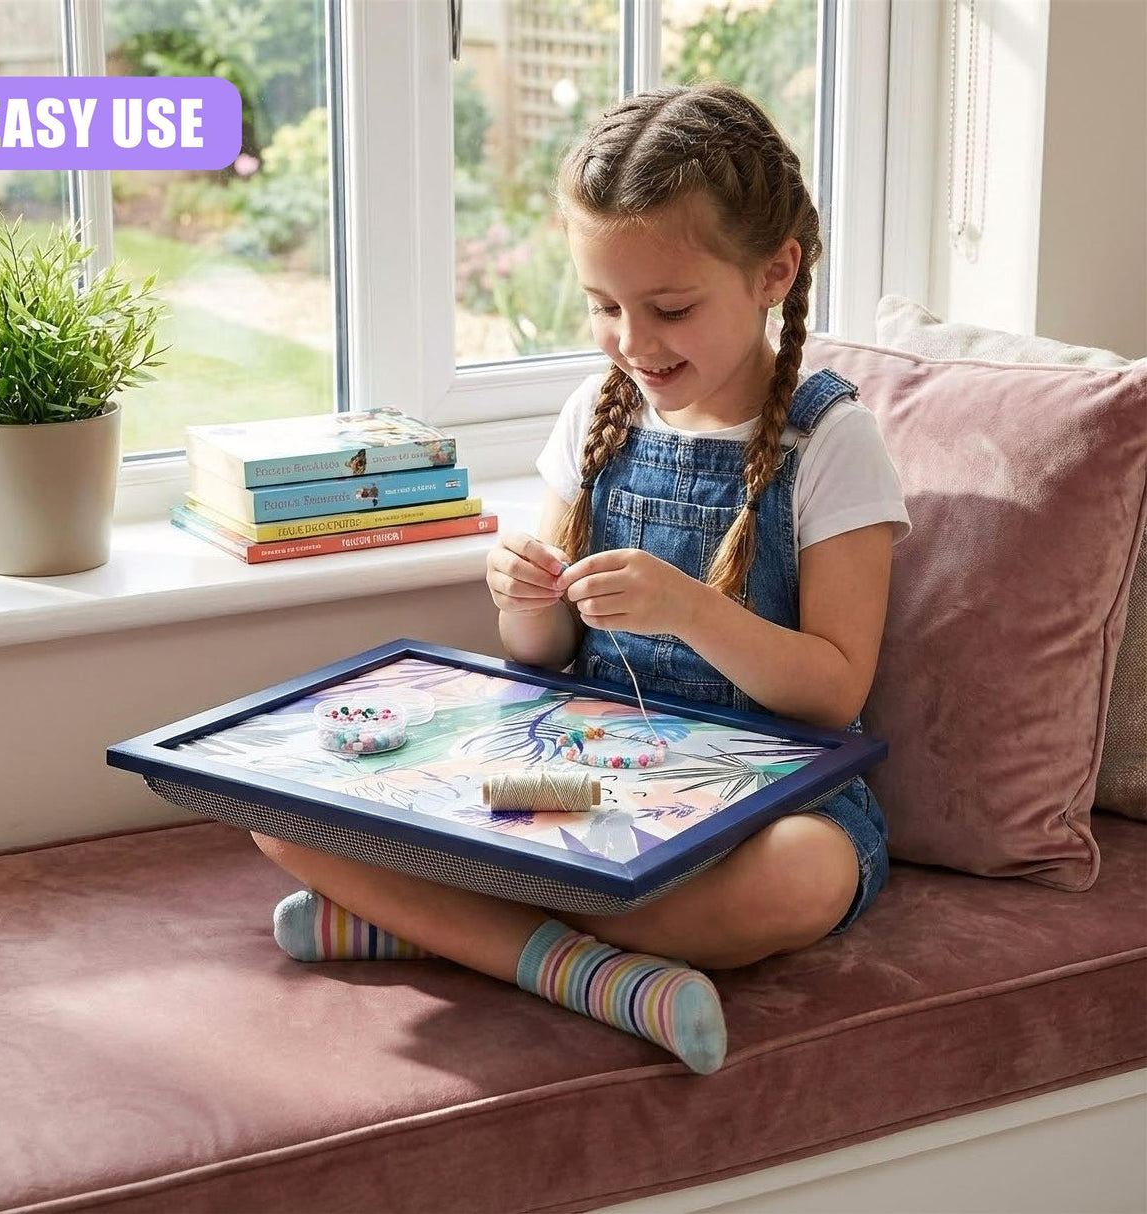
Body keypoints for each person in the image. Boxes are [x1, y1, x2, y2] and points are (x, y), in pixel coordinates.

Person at [251, 83, 910, 1075]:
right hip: (590, 777)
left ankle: (443, 923)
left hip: (766, 800)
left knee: (804, 879)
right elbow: (542, 652)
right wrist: (520, 593)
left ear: (773, 270)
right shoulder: (594, 414)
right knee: (281, 811)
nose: (634, 342)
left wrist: (688, 608)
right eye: (604, 306)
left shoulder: (831, 440)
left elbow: (833, 690)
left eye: (670, 307)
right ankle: (587, 969)